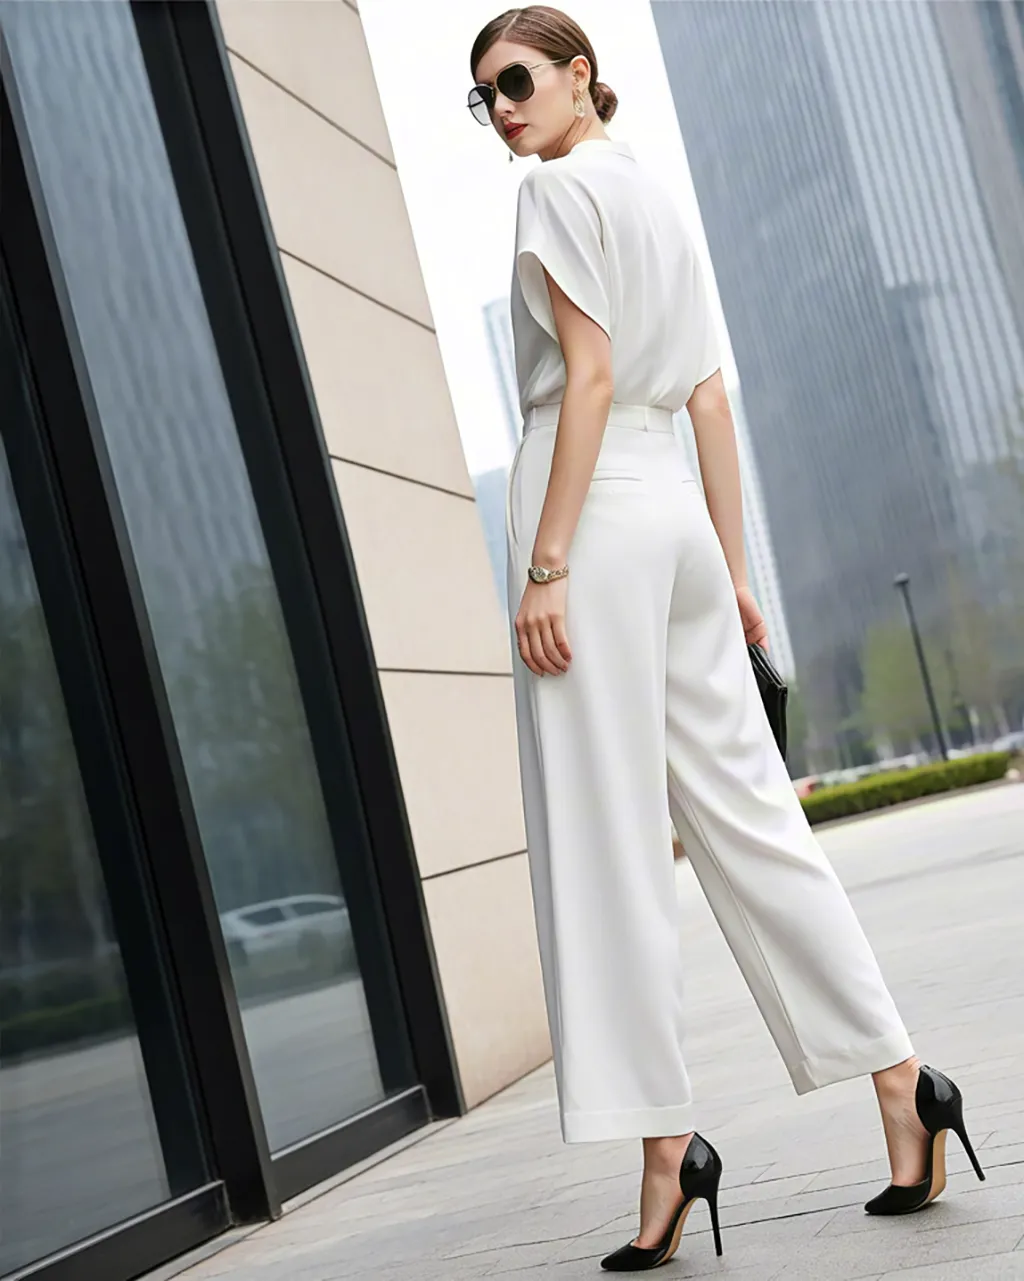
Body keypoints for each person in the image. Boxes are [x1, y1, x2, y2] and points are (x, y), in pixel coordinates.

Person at [468, 6, 985, 1272]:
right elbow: (704, 390)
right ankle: (903, 1085)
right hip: (679, 529)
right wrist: (732, 570)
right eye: (483, 96)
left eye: (518, 79)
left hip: (587, 518)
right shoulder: (652, 198)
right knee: (754, 821)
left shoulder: (558, 197)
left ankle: (665, 1153)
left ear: (580, 76)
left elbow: (584, 379)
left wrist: (546, 561)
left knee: (606, 855)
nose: (503, 108)